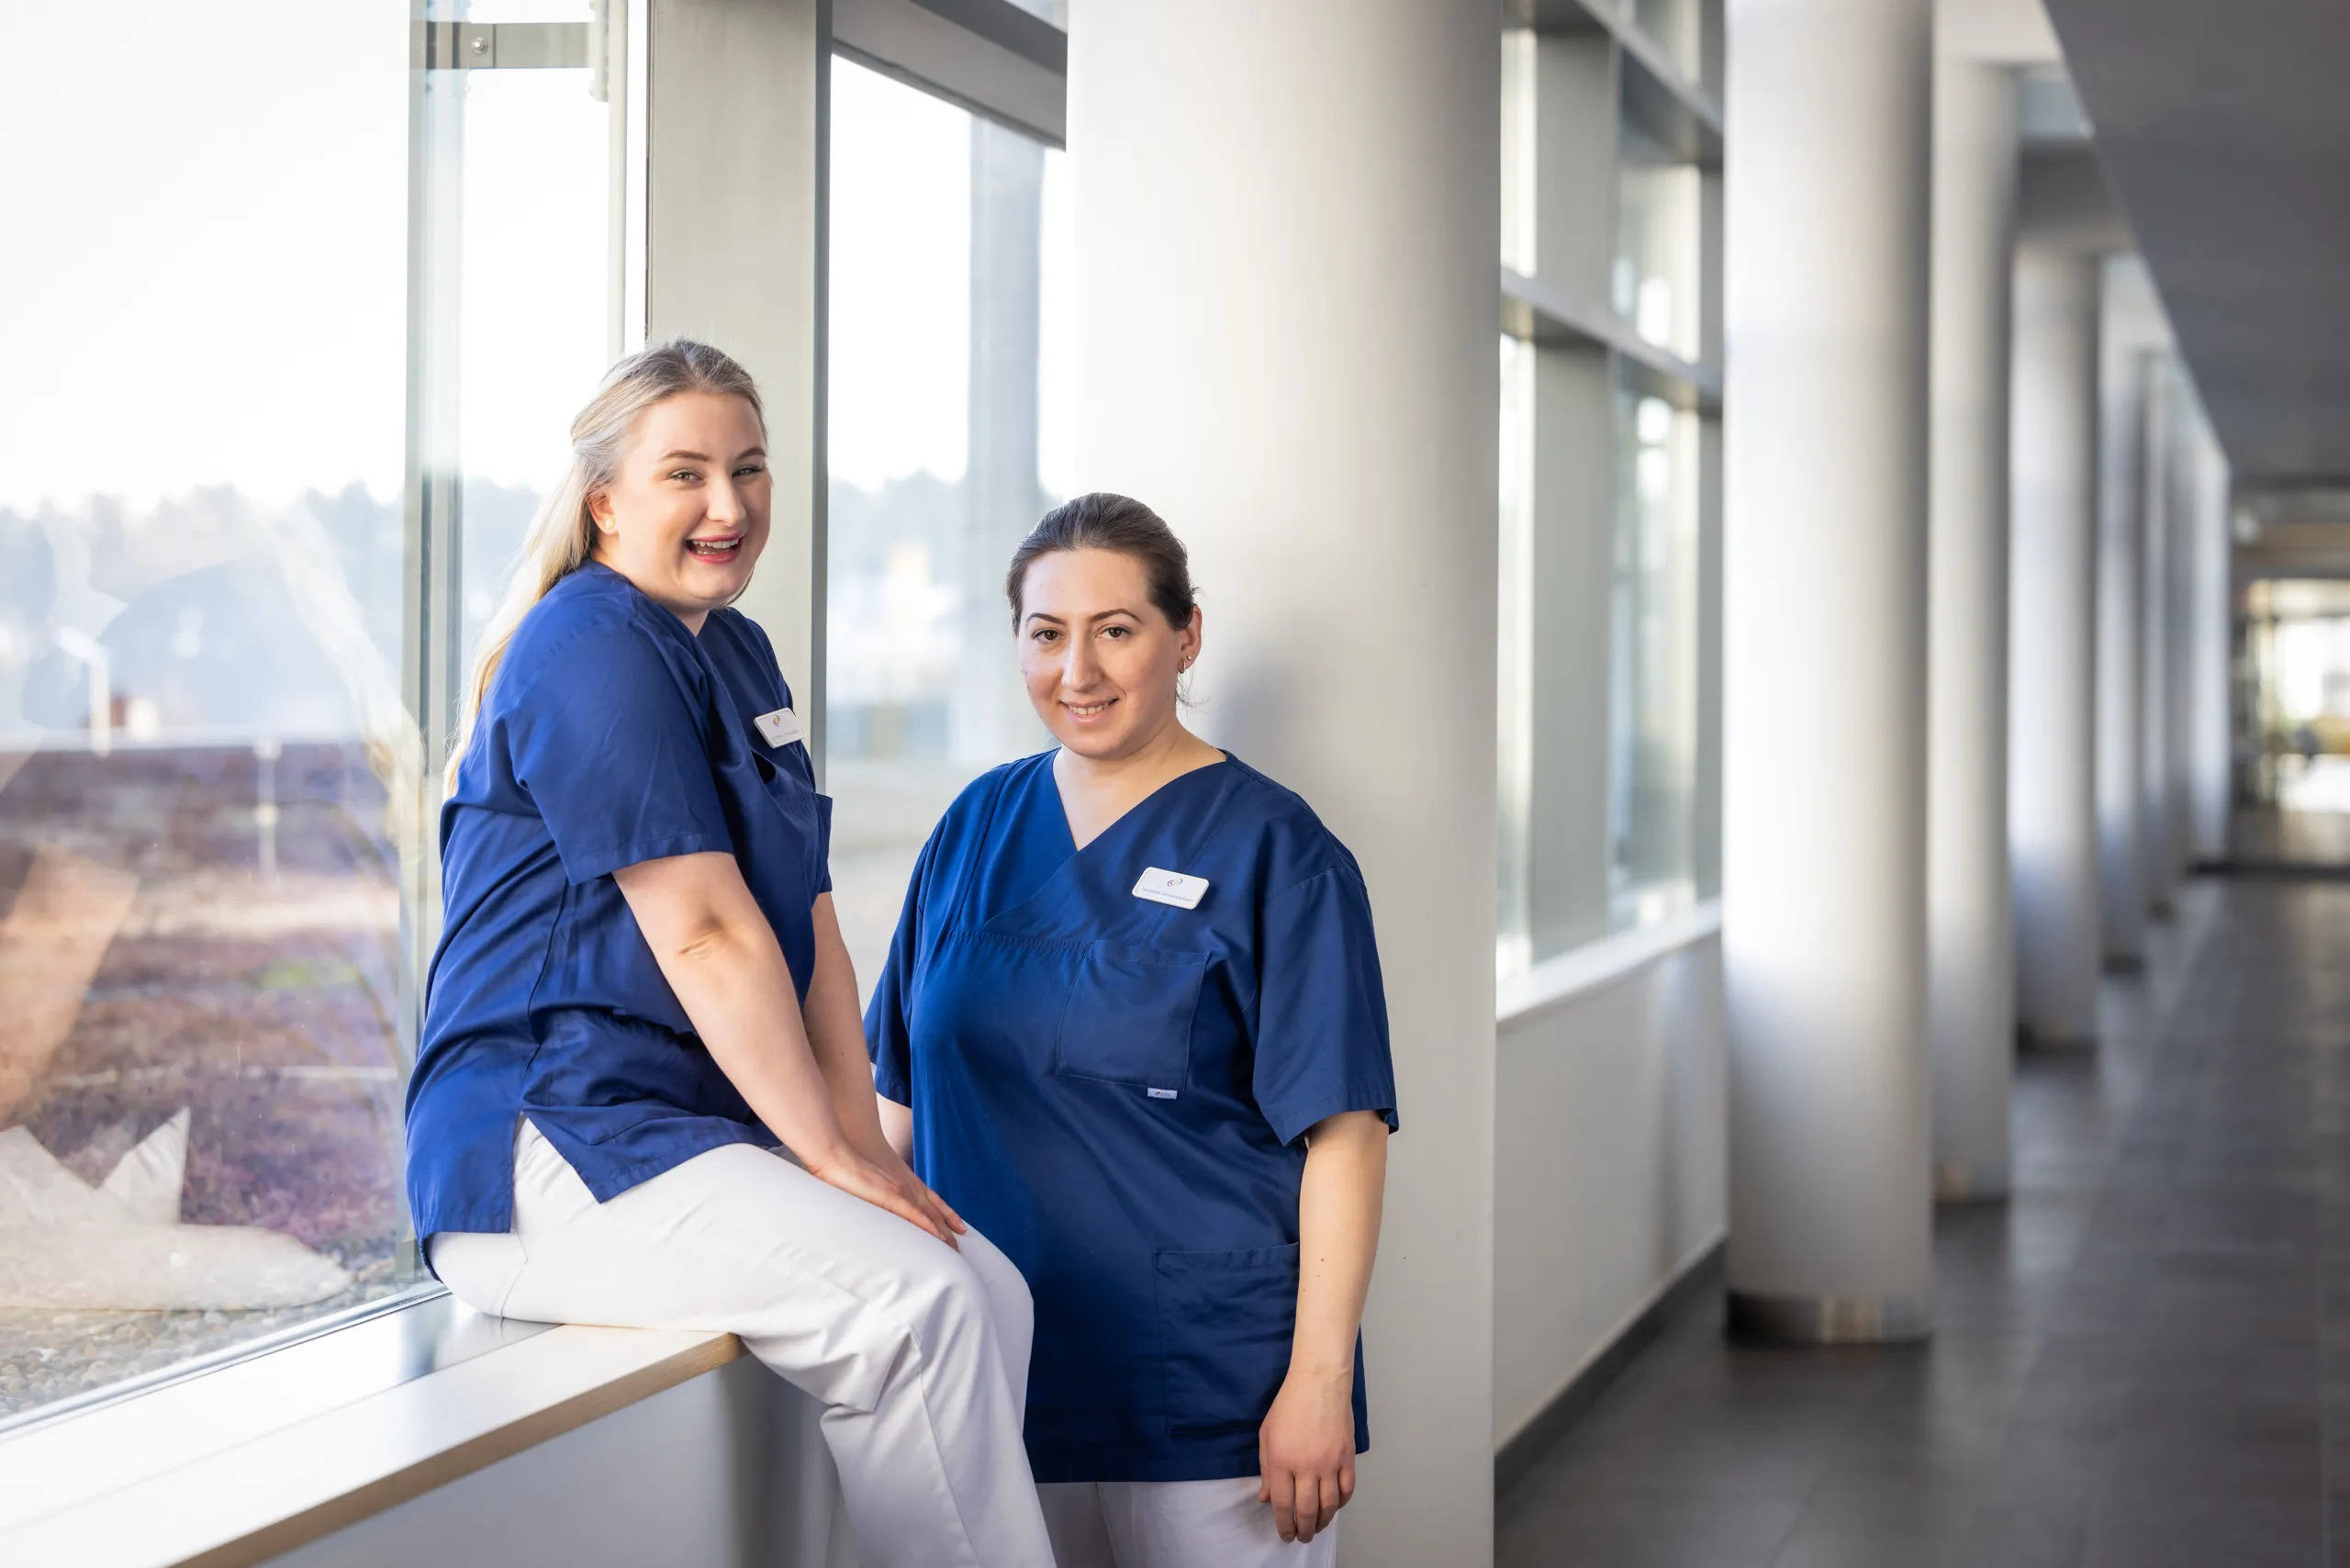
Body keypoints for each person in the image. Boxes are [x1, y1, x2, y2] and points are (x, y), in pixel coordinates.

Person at [407, 340, 1056, 1568]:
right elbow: (704, 932)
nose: (728, 504)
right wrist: (823, 1151)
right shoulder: (589, 644)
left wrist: (860, 1148)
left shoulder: (737, 650)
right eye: (686, 473)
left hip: (675, 1133)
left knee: (987, 1286)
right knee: (917, 1305)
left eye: (748, 469)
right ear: (606, 500)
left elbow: (807, 932)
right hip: (542, 1149)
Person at [867, 492, 1397, 1567]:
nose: (1079, 671)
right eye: (1046, 634)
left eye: (1116, 630)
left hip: (1206, 1388)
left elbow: (1344, 1133)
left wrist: (1318, 1380)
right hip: (995, 1375)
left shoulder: (1276, 849)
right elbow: (894, 1108)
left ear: (1185, 635)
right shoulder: (972, 828)